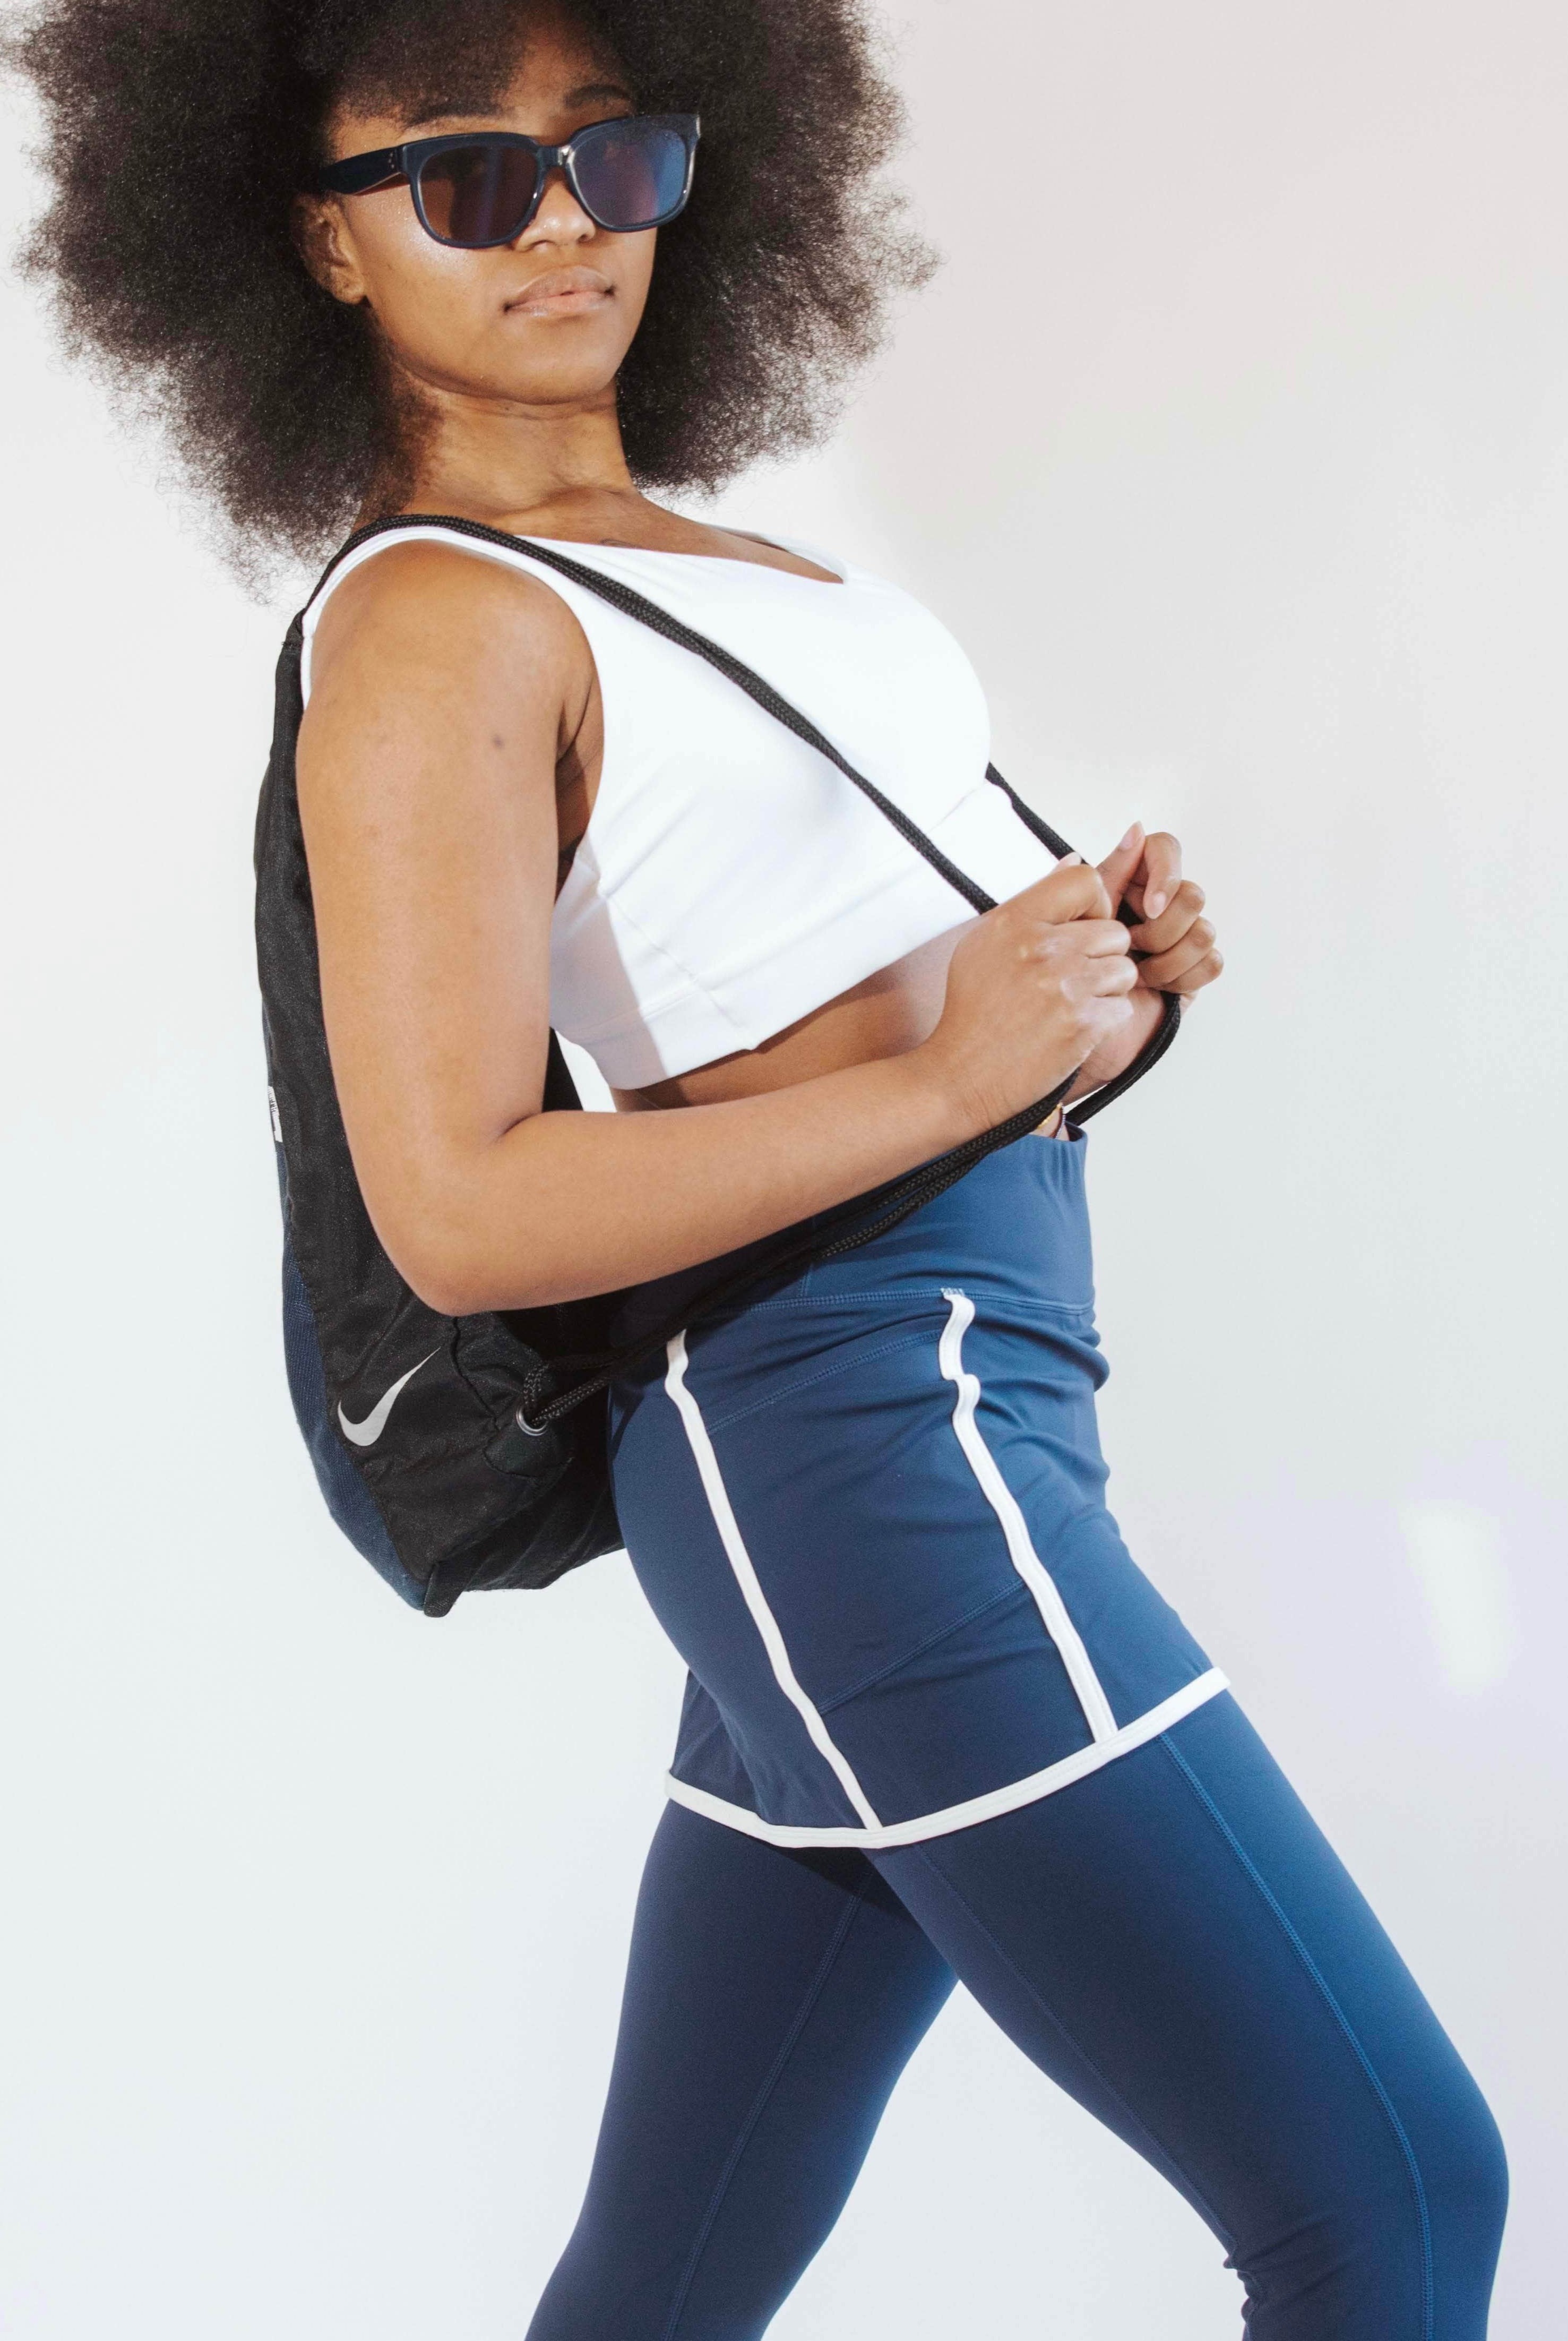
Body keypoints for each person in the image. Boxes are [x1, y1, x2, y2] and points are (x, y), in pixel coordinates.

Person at [11, 1, 1507, 2332]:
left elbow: (843, 994)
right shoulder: (429, 625)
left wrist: (1098, 995)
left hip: (963, 1388)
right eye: (468, 180)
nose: (563, 229)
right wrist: (941, 1085)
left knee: (677, 2267)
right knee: (1393, 2190)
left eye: (611, 157)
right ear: (313, 243)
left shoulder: (732, 570)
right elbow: (462, 1199)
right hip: (850, 1431)